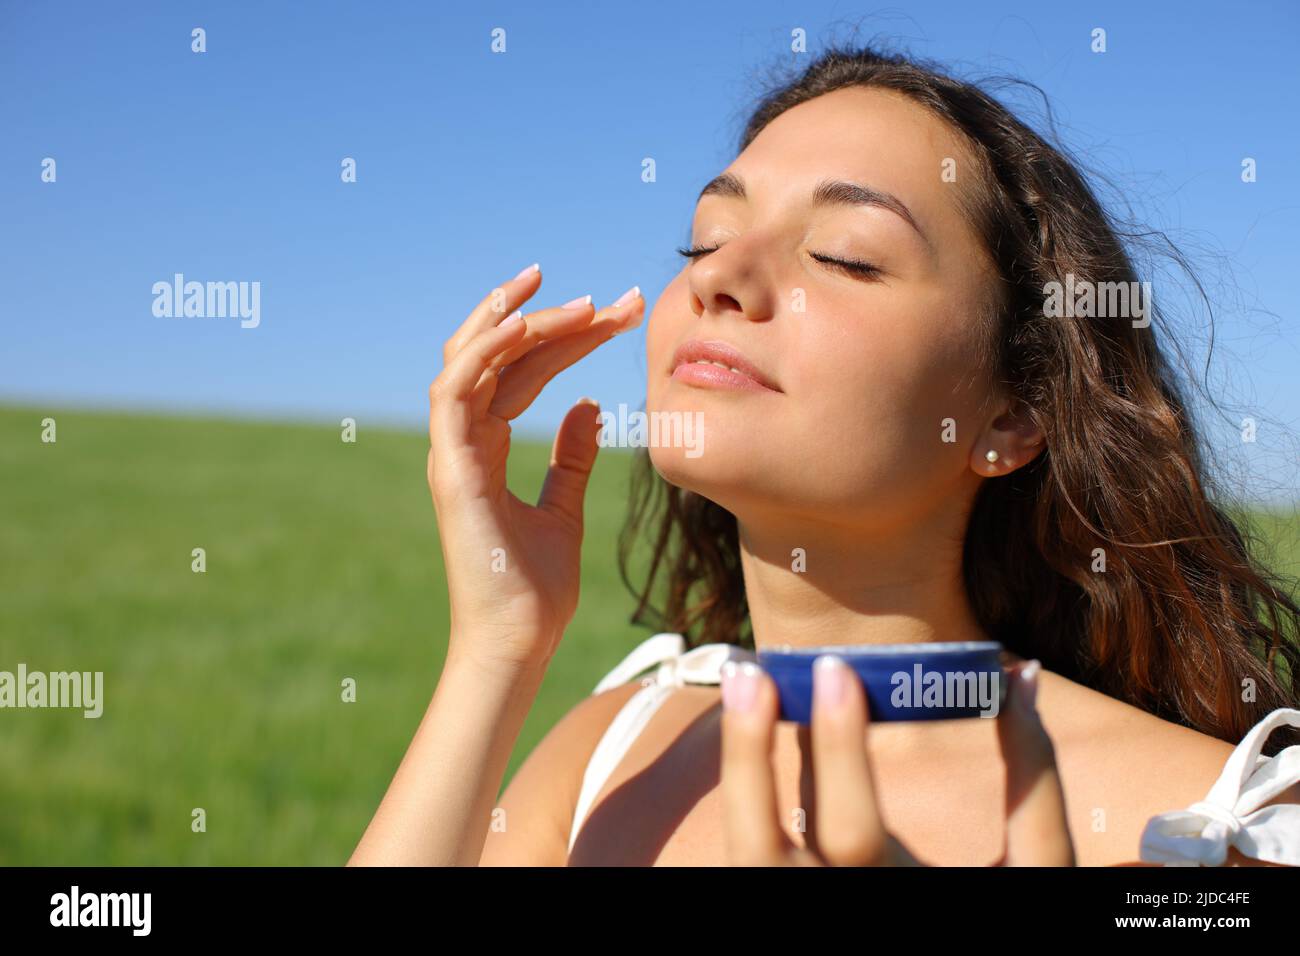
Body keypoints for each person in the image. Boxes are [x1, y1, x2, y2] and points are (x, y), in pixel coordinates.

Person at [349, 45, 1300, 867]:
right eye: (707, 236)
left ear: (1014, 416)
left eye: (845, 255)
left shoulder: (1219, 827)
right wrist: (497, 647)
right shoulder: (610, 752)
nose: (719, 273)